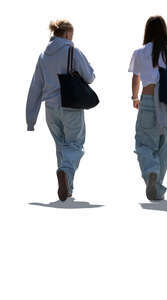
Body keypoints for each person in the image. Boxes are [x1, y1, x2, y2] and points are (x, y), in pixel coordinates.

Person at [26, 20, 95, 201]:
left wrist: (30, 120)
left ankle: (67, 189)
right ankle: (64, 172)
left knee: (61, 148)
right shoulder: (73, 51)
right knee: (75, 145)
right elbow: (90, 77)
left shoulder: (43, 56)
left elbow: (35, 88)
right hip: (71, 106)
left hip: (50, 109)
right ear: (67, 35)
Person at [128, 16, 167, 201]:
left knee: (143, 143)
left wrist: (135, 97)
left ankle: (150, 172)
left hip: (148, 98)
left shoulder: (139, 52)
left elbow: (135, 78)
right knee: (164, 147)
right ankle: (156, 187)